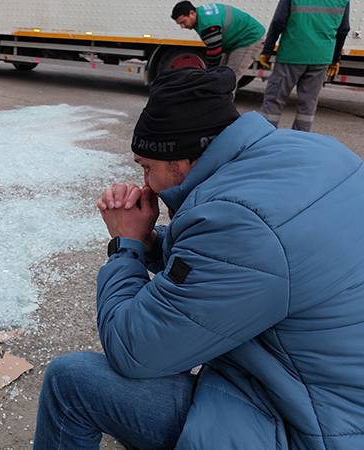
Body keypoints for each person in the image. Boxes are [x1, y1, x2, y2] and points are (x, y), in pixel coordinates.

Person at [33, 66, 364, 450]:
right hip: (331, 385)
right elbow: (243, 267)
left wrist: (126, 246)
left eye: (147, 167)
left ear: (184, 160)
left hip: (310, 426)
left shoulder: (240, 226)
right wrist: (153, 241)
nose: (144, 184)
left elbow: (133, 349)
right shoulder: (310, 150)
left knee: (70, 382)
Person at [259, 0, 350, 131]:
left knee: (274, 99)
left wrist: (268, 50)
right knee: (308, 104)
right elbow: (343, 30)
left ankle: (264, 137)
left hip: (291, 54)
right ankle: (299, 141)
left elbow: (278, 22)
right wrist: (335, 59)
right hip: (321, 57)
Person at [171, 1, 265, 86]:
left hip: (249, 39)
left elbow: (214, 54)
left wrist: (208, 75)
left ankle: (223, 104)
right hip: (235, 41)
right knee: (220, 76)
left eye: (183, 22)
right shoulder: (201, 14)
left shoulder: (207, 24)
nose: (182, 26)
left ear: (192, 13)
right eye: (179, 24)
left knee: (228, 80)